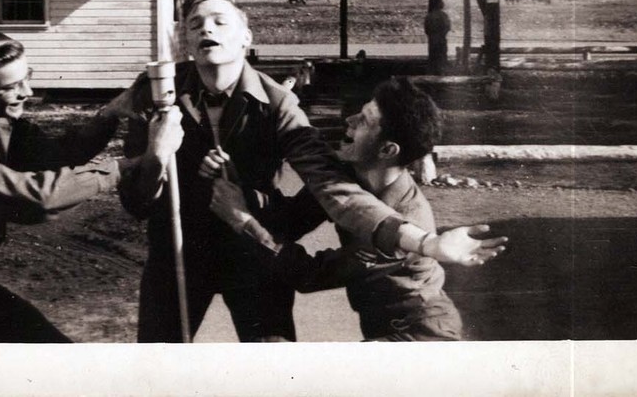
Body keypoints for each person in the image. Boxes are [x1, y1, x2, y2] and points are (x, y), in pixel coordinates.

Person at [116, 0, 504, 342]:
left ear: (246, 38)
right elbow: (135, 202)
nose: (206, 29)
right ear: (185, 38)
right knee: (157, 369)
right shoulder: (156, 95)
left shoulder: (279, 105)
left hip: (258, 265)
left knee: (277, 372)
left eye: (220, 21)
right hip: (177, 259)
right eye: (195, 23)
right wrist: (156, 156)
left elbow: (331, 187)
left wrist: (427, 241)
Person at [0, 29, 183, 343]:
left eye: (28, 77)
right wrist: (128, 166)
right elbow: (36, 200)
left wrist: (111, 113)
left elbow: (57, 154)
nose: (28, 91)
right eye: (12, 86)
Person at [210, 76, 503, 341]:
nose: (348, 121)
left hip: (421, 336)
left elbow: (309, 275)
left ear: (388, 150)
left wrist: (242, 220)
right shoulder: (349, 178)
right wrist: (241, 187)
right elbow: (288, 222)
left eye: (363, 121)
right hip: (384, 329)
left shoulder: (402, 222)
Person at [424, 0, 451, 75]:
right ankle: (441, 74)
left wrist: (432, 35)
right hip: (441, 40)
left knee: (433, 58)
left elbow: (426, 29)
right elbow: (447, 27)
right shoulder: (444, 15)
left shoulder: (429, 16)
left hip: (432, 40)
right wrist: (442, 34)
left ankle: (433, 74)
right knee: (442, 58)